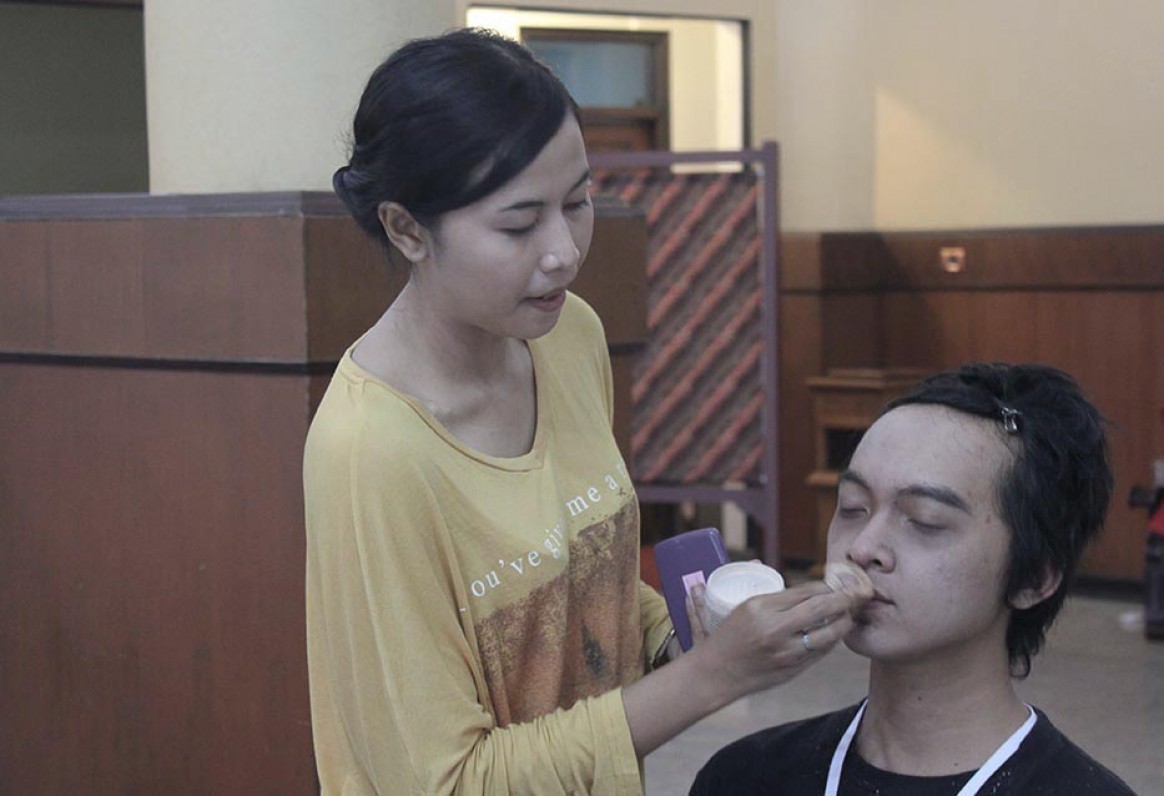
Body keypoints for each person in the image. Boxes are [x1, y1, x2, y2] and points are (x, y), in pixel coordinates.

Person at [303, 28, 868, 795]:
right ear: (407, 229)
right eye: (518, 223)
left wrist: (690, 635)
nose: (564, 251)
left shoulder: (568, 335)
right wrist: (709, 678)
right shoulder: (371, 452)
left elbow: (580, 588)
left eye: (577, 202)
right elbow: (444, 782)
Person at [691, 363, 1136, 795]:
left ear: (1034, 578)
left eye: (924, 520)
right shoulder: (745, 776)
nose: (862, 547)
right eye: (852, 507)